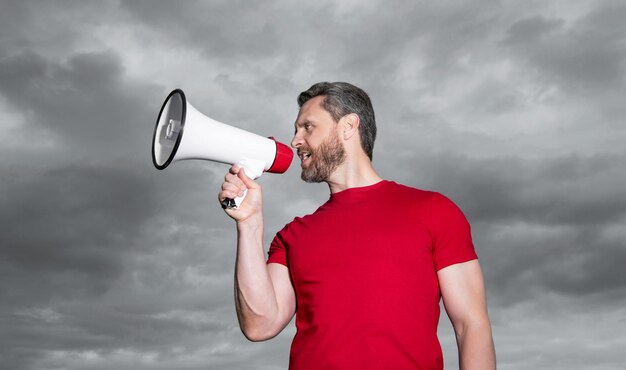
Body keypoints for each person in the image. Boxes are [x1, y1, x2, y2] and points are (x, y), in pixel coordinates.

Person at [218, 82, 496, 369]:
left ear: (348, 126)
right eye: (296, 130)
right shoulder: (293, 236)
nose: (295, 140)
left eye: (307, 127)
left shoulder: (434, 211)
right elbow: (259, 325)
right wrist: (249, 224)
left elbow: (471, 325)